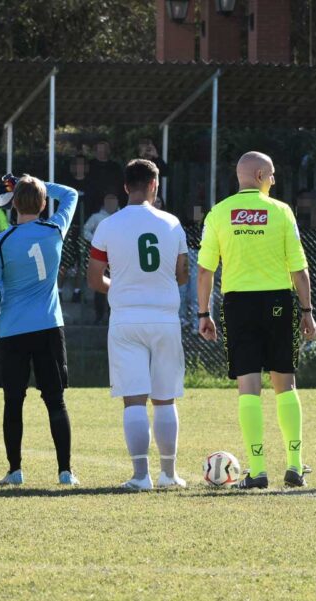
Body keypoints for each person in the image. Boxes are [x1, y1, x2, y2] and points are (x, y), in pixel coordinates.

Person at [196, 151, 316, 490]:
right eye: (273, 175)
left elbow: (205, 269)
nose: (274, 180)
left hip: (238, 305)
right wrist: (307, 311)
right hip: (278, 301)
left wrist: (203, 313)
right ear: (262, 174)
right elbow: (299, 268)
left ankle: (258, 469)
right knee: (285, 383)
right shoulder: (281, 211)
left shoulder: (219, 213)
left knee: (248, 386)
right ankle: (294, 464)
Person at [87, 160, 189, 490]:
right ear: (155, 186)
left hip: (126, 320)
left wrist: (119, 287)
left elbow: (93, 278)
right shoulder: (172, 223)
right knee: (165, 399)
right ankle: (169, 474)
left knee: (134, 399)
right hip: (164, 318)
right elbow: (183, 273)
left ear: (125, 186)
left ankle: (140, 476)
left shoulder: (108, 226)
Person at [0, 176, 80, 486]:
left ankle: (15, 471)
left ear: (13, 204)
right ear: (42, 204)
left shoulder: (1, 241)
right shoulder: (55, 231)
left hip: (11, 332)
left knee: (13, 401)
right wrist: (38, 181)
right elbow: (70, 194)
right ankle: (65, 472)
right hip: (49, 328)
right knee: (56, 401)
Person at [83, 194, 119, 323]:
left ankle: (112, 315)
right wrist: (97, 242)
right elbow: (85, 230)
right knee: (100, 287)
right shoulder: (96, 218)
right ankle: (99, 316)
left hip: (118, 257)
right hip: (101, 257)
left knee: (116, 285)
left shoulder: (121, 217)